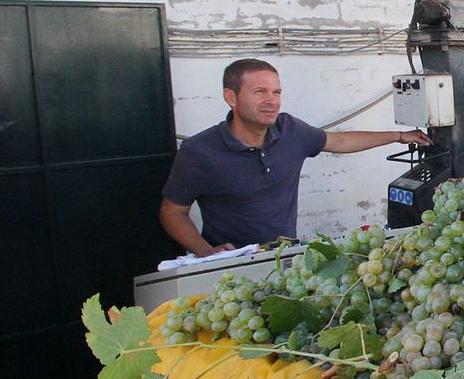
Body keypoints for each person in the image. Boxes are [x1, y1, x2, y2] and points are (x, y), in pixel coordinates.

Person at [160, 58, 431, 257]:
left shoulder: (290, 130)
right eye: (259, 92)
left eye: (276, 92)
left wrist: (398, 136)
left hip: (284, 257)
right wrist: (206, 253)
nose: (271, 101)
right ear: (231, 97)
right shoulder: (199, 152)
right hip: (230, 265)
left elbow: (339, 141)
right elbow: (173, 213)